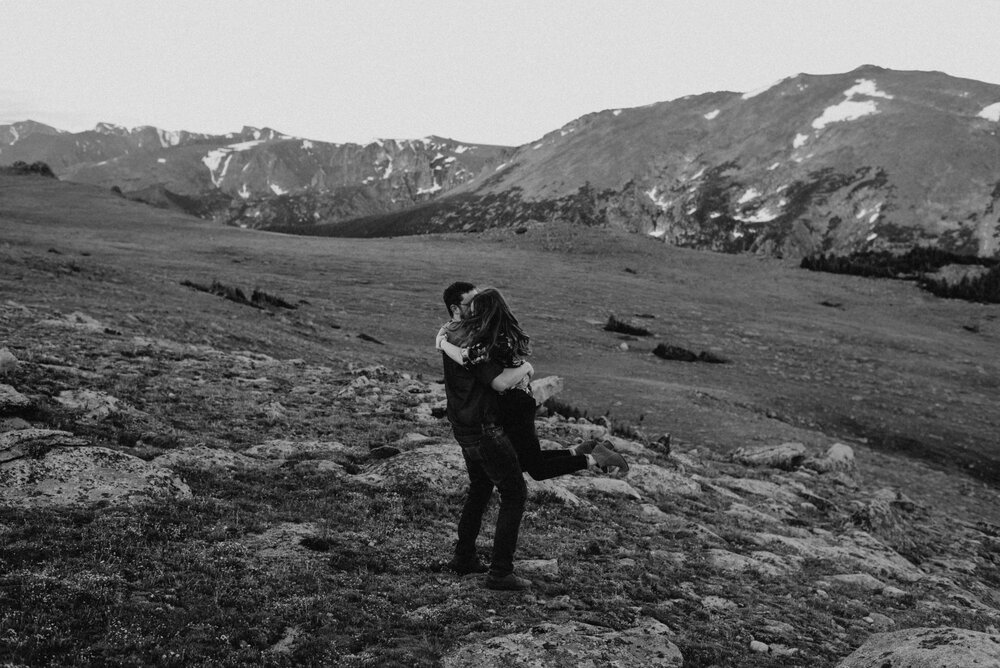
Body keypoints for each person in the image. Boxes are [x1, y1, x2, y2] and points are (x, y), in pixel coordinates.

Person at [437, 287, 629, 480]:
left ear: (485, 313)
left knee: (534, 469)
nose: (471, 313)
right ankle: (580, 451)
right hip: (519, 402)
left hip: (515, 406)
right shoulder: (503, 332)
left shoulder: (487, 341)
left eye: (475, 309)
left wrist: (442, 343)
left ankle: (596, 458)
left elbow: (468, 359)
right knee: (526, 460)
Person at [439, 281, 535, 591]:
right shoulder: (474, 339)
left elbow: (448, 342)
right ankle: (500, 572)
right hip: (484, 429)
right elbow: (498, 383)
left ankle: (464, 556)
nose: (476, 308)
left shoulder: (449, 333)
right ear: (457, 309)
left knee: (480, 488)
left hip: (463, 427)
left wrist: (440, 340)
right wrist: (526, 368)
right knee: (514, 493)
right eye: (471, 304)